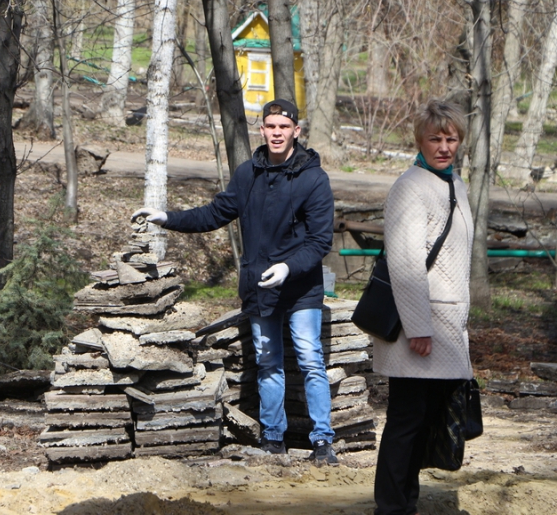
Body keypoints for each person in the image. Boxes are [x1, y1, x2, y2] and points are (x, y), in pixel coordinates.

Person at [132, 99, 338, 465]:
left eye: (283, 127)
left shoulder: (313, 178)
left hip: (302, 289)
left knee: (310, 359)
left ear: (296, 132)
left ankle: (323, 441)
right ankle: (273, 439)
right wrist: (166, 217)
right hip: (260, 288)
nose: (277, 133)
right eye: (270, 126)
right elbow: (214, 213)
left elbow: (320, 241)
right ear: (262, 130)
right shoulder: (248, 174)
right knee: (268, 361)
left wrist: (289, 268)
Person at [373, 99, 474, 514]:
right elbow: (405, 261)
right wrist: (418, 327)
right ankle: (392, 506)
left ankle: (405, 502)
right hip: (419, 329)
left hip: (446, 326)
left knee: (425, 421)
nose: (444, 146)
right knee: (406, 421)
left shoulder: (455, 184)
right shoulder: (410, 186)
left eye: (451, 138)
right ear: (420, 141)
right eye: (436, 138)